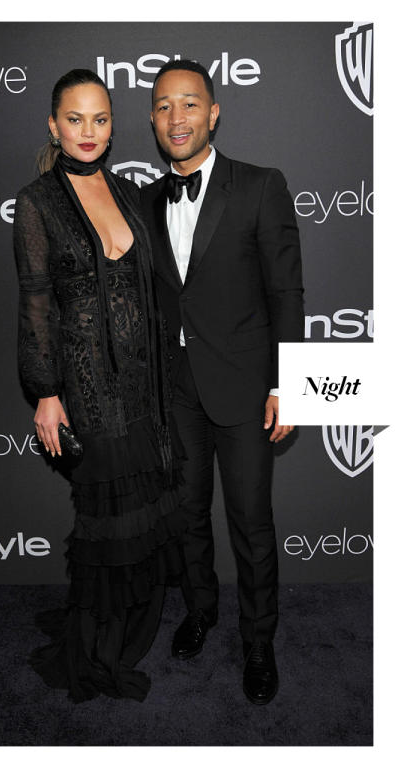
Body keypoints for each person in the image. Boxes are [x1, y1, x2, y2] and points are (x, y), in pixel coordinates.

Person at [13, 69, 186, 703]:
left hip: (144, 387)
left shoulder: (129, 191)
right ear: (53, 126)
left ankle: (130, 631)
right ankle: (94, 652)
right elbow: (35, 302)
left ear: (115, 126)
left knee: (143, 519)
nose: (89, 132)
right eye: (76, 119)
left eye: (102, 119)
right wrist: (47, 392)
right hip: (86, 391)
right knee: (105, 524)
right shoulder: (37, 202)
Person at [139, 59, 303, 705]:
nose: (175, 118)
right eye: (162, 106)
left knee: (251, 523)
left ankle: (259, 642)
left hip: (244, 388)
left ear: (213, 112)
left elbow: (286, 291)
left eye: (188, 104)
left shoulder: (260, 185)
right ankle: (201, 610)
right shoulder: (146, 200)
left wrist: (287, 383)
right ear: (152, 120)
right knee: (185, 517)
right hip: (175, 391)